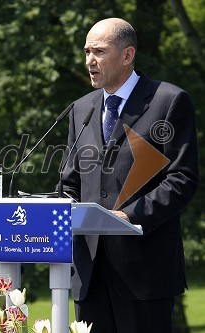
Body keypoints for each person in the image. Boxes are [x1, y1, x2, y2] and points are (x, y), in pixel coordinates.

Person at [61, 18, 199, 333]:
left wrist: (129, 216)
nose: (89, 61)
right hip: (89, 274)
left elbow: (181, 179)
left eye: (98, 51)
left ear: (127, 55)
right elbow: (70, 183)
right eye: (86, 52)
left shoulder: (168, 101)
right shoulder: (80, 110)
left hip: (145, 273)